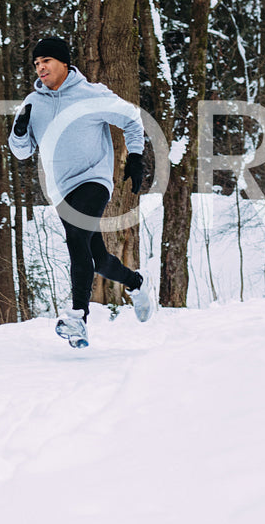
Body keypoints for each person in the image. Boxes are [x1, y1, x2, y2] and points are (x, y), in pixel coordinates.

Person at [8, 36, 156, 348]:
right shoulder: (33, 104)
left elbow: (131, 119)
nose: (40, 68)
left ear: (63, 62)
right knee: (96, 257)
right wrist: (19, 131)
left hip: (94, 180)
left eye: (46, 61)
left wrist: (136, 157)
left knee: (76, 238)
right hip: (60, 190)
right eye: (36, 63)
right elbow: (21, 152)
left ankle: (77, 317)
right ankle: (135, 282)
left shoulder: (92, 95)